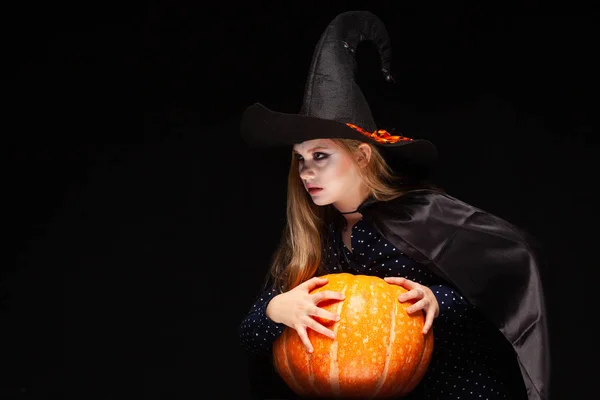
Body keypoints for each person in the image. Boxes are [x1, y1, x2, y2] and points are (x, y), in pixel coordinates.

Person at [238, 11, 550, 400]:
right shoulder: (315, 236)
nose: (305, 171)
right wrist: (276, 310)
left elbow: (504, 285)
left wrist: (440, 300)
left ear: (363, 156)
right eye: (300, 159)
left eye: (320, 156)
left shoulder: (423, 215)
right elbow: (250, 336)